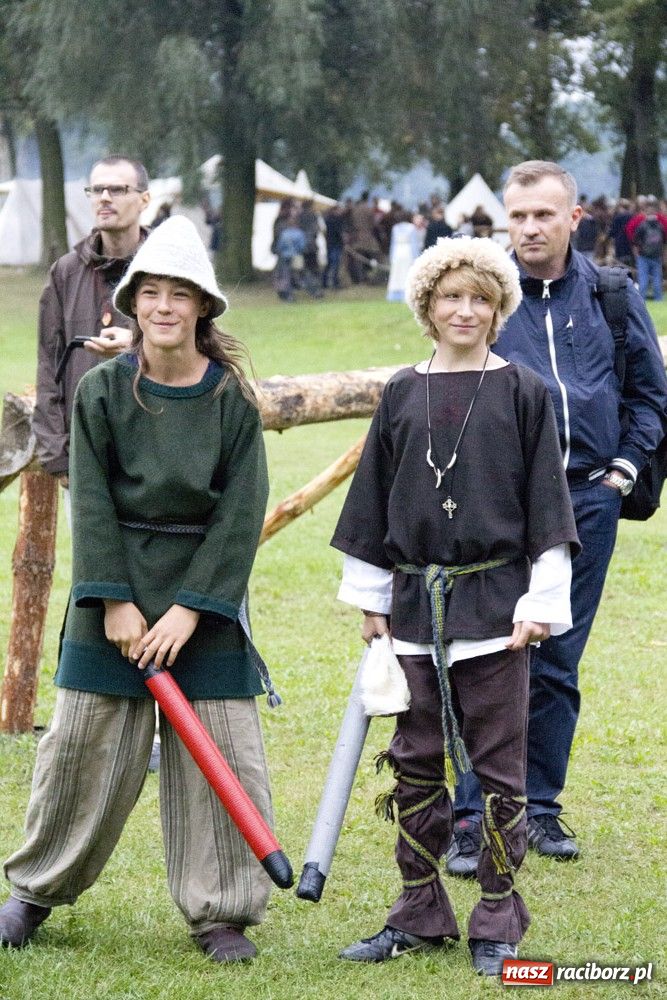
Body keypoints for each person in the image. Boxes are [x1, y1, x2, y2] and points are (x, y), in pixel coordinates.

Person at [0, 216, 275, 964]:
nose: (162, 308)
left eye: (177, 295)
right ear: (131, 302)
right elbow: (89, 498)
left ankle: (220, 913)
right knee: (82, 743)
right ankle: (33, 893)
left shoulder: (230, 403)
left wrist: (190, 609)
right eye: (149, 293)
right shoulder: (101, 391)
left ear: (201, 308)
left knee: (223, 750)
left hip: (203, 602)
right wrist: (115, 601)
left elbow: (239, 512)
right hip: (113, 593)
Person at [331, 237, 579, 975]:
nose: (464, 310)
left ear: (498, 307)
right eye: (449, 297)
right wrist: (373, 598)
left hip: (496, 610)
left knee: (499, 767)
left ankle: (498, 915)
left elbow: (547, 506)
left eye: (479, 297)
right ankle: (417, 911)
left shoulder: (524, 391)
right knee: (413, 761)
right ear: (426, 308)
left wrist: (539, 599)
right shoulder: (402, 392)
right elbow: (373, 496)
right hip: (412, 606)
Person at [448, 161, 667, 875]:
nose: (529, 227)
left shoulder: (609, 294)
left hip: (586, 502)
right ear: (502, 221)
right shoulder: (485, 300)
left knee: (555, 661)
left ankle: (537, 809)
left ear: (574, 218)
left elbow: (648, 395)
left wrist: (622, 472)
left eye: (543, 214)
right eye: (517, 216)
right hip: (499, 509)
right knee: (485, 656)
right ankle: (468, 816)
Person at [33, 156, 151, 499]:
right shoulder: (65, 273)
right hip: (86, 457)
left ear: (144, 199)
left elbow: (203, 348)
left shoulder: (169, 268)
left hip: (156, 452)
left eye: (117, 189)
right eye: (97, 189)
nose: (104, 198)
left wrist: (140, 344)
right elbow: (48, 367)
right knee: (91, 555)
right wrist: (58, 458)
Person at [630, 197, 666, 301]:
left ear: (646, 213)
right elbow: (664, 240)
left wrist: (636, 252)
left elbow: (635, 239)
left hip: (643, 255)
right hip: (657, 255)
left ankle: (642, 298)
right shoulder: (660, 225)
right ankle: (658, 298)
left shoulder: (642, 225)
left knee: (643, 277)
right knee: (657, 278)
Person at [385, 210, 422, 302]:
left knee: (396, 273)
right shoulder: (411, 228)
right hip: (407, 251)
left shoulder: (395, 228)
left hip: (398, 251)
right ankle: (407, 293)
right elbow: (414, 244)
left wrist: (391, 256)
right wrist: (416, 258)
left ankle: (395, 293)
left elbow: (393, 244)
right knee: (407, 273)